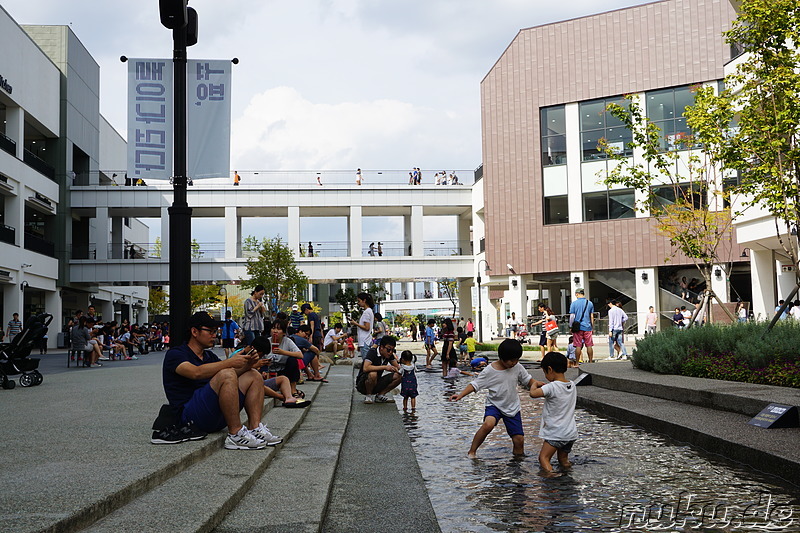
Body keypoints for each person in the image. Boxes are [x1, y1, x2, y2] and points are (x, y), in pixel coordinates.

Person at [160, 312, 281, 449]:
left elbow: (229, 378)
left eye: (215, 331)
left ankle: (255, 428)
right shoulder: (176, 354)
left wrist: (247, 365)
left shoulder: (209, 356)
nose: (214, 335)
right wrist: (230, 362)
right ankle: (235, 433)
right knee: (227, 373)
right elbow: (195, 372)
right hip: (190, 417)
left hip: (215, 413)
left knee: (253, 375)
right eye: (210, 331)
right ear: (194, 331)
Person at [449, 339, 534, 458]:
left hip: (512, 407)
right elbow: (475, 384)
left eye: (517, 360)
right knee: (488, 424)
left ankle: (518, 462)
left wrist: (540, 386)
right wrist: (461, 395)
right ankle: (472, 451)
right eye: (511, 360)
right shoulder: (490, 370)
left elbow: (528, 380)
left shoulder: (517, 367)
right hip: (494, 404)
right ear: (502, 357)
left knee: (519, 440)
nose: (514, 363)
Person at [529, 352, 578, 475]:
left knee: (543, 458)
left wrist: (534, 384)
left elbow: (533, 394)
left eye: (545, 372)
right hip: (570, 433)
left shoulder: (552, 387)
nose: (545, 376)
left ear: (550, 369)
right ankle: (567, 477)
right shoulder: (572, 385)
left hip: (556, 433)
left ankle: (552, 477)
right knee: (563, 460)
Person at [355, 336, 401, 404]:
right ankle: (368, 396)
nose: (390, 352)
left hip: (376, 382)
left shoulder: (389, 355)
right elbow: (366, 368)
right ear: (381, 347)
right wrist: (385, 367)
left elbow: (398, 367)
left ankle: (380, 395)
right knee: (373, 374)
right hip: (363, 384)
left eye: (392, 350)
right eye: (388, 350)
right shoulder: (372, 352)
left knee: (399, 375)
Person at [569, 288, 595, 364]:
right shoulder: (590, 303)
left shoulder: (574, 303)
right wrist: (592, 326)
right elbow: (592, 316)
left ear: (577, 294)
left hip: (577, 327)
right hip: (588, 327)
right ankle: (590, 361)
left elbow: (572, 316)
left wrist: (571, 326)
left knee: (578, 345)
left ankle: (577, 362)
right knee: (589, 345)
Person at [348, 292, 375, 359]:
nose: (358, 303)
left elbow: (367, 327)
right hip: (366, 341)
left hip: (364, 341)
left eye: (359, 301)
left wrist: (355, 323)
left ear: (364, 300)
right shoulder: (369, 311)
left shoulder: (366, 312)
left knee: (366, 364)